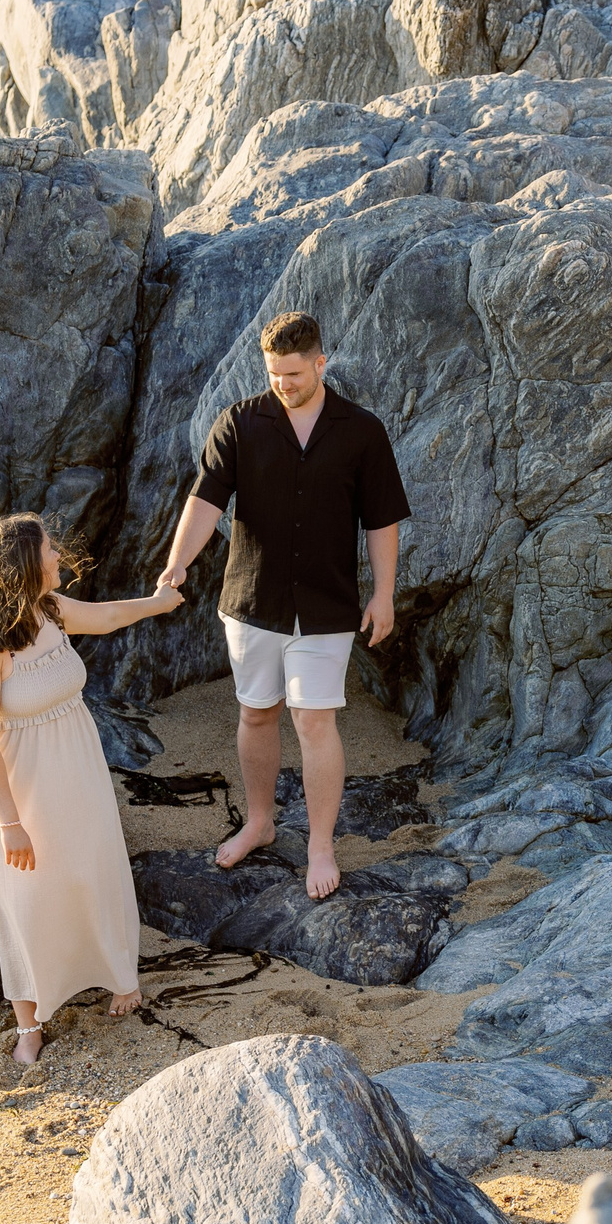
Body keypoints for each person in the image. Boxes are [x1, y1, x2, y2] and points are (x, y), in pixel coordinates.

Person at [157, 310, 411, 900]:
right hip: (250, 600)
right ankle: (260, 821)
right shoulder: (240, 422)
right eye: (274, 373)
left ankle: (320, 845)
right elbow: (206, 501)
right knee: (256, 712)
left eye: (293, 374)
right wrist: (178, 563)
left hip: (326, 606)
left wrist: (384, 593)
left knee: (314, 721)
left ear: (321, 363)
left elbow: (382, 521)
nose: (283, 384)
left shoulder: (361, 431)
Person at [0, 513, 183, 1066]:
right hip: (16, 791)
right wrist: (11, 822)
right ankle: (29, 1023)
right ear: (22, 566)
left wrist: (156, 602)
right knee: (26, 900)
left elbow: (105, 617)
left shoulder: (50, 612)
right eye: (49, 550)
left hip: (76, 771)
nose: (58, 557)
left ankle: (116, 973)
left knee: (93, 868)